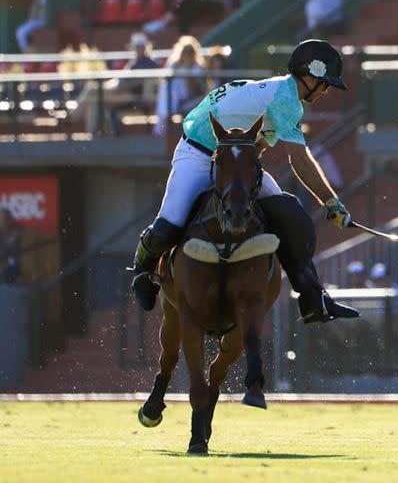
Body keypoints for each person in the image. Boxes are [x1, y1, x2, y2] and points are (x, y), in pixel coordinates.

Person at [131, 39, 360, 324]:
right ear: (310, 76)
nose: (326, 90)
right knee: (169, 225)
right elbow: (299, 160)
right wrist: (331, 201)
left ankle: (314, 298)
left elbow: (259, 146)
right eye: (325, 83)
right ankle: (142, 271)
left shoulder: (282, 95)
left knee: (288, 214)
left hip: (235, 160)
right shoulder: (286, 100)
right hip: (197, 152)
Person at [153, 35, 207, 136]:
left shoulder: (198, 67)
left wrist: (188, 70)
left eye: (191, 52)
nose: (188, 55)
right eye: (185, 52)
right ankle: (163, 122)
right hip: (173, 96)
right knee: (166, 90)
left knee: (170, 93)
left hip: (190, 97)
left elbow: (193, 89)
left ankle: (163, 124)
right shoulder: (175, 65)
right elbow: (164, 80)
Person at [0, 208, 22, 284]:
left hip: (14, 262)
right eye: (1, 219)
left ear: (9, 220)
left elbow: (9, 248)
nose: (2, 222)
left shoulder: (17, 231)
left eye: (4, 219)